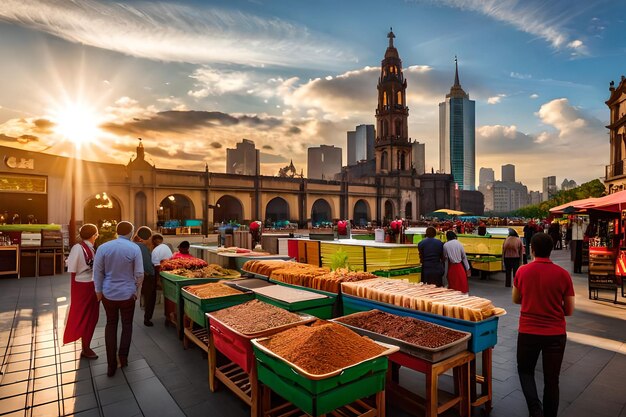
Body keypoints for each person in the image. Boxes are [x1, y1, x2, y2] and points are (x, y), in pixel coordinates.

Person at [513, 232, 575, 417]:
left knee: (525, 371)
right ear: (551, 250)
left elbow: (517, 299)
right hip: (555, 334)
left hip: (528, 332)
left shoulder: (522, 271)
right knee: (552, 380)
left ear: (531, 249)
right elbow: (569, 310)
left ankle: (535, 409)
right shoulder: (563, 274)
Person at [93, 221, 144, 377]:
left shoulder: (103, 248)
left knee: (111, 324)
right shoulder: (134, 248)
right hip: (128, 293)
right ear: (130, 232)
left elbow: (97, 271)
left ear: (116, 231)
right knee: (127, 326)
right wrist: (137, 291)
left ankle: (111, 365)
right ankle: (123, 358)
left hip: (108, 293)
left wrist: (98, 291)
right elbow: (140, 273)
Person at [63, 224, 100, 359]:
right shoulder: (78, 248)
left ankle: (86, 344)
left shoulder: (89, 248)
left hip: (91, 284)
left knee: (92, 316)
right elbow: (72, 268)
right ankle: (85, 346)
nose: (97, 236)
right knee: (84, 315)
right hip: (83, 285)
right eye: (96, 234)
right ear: (93, 235)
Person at [135, 226, 156, 327]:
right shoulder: (142, 247)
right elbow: (147, 265)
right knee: (150, 298)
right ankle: (147, 319)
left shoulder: (133, 244)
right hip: (146, 277)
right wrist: (153, 274)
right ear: (148, 237)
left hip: (134, 276)